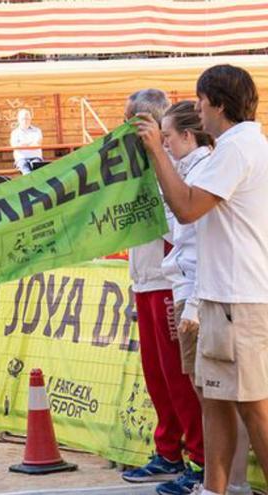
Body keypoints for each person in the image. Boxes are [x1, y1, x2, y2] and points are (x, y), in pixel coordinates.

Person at [135, 64, 268, 495]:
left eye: (202, 101)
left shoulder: (236, 148)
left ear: (219, 105)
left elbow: (187, 208)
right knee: (215, 401)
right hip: (221, 295)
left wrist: (157, 153)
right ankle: (214, 489)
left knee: (252, 407)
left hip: (237, 297)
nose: (198, 108)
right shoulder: (238, 146)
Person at [120, 89, 205, 494]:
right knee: (157, 377)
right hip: (145, 280)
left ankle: (200, 458)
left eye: (130, 121)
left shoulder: (174, 167)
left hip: (170, 282)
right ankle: (168, 451)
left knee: (180, 378)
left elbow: (180, 227)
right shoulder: (137, 169)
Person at [10, 109, 43, 174]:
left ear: (30, 119)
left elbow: (37, 143)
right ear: (19, 120)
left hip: (36, 157)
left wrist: (23, 144)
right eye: (23, 119)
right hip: (21, 159)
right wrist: (30, 143)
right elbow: (14, 146)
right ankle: (30, 180)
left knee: (38, 171)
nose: (25, 121)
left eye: (27, 118)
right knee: (26, 170)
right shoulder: (15, 132)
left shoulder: (37, 130)